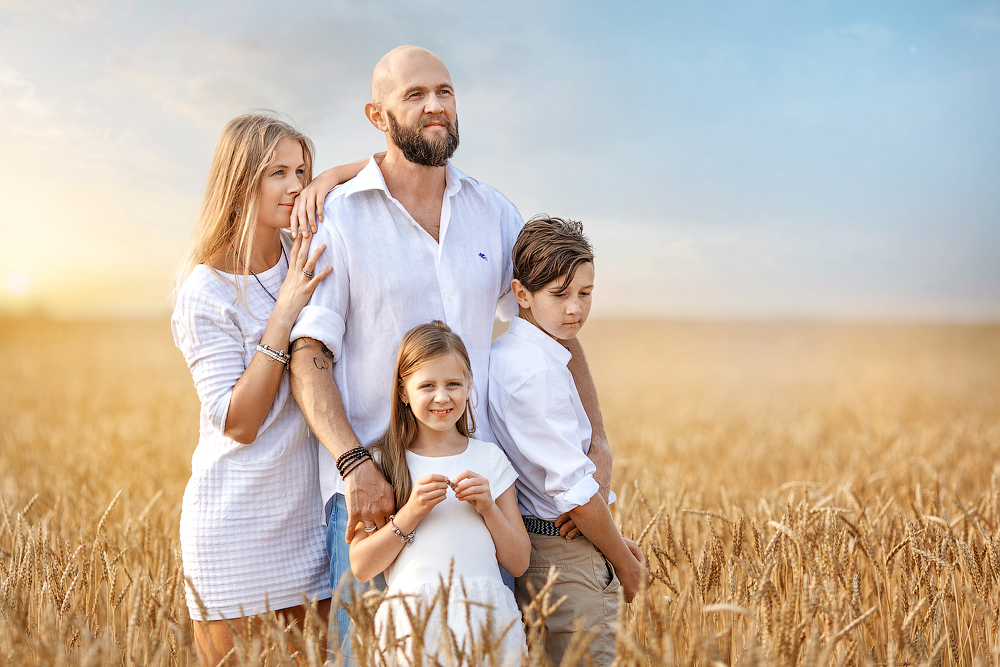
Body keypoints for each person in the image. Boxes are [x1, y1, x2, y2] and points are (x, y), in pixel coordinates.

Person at [170, 112, 368, 666]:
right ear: (241, 181)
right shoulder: (205, 291)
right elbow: (239, 420)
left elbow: (384, 169)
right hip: (235, 527)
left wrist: (328, 178)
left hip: (308, 528)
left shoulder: (304, 249)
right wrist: (281, 317)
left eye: (302, 170)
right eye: (277, 172)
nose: (296, 186)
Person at [488, 216, 646, 667]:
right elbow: (576, 499)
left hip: (535, 549)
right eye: (558, 295)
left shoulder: (505, 354)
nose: (574, 308)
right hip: (567, 555)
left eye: (585, 292)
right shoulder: (537, 372)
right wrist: (623, 561)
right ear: (522, 295)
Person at [348, 321, 529, 663]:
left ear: (468, 385)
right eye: (427, 385)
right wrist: (412, 511)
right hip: (413, 625)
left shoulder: (489, 458)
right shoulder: (384, 462)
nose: (442, 397)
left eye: (453, 384)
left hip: (486, 621)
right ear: (403, 391)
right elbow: (361, 566)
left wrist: (488, 508)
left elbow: (519, 562)